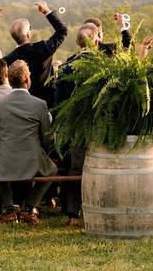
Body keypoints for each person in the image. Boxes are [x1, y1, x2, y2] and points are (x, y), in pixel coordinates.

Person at [0, 60, 57, 225]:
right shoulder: (40, 105)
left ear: (9, 81)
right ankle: (29, 207)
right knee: (53, 171)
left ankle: (9, 208)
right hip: (33, 159)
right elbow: (47, 139)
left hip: (5, 159)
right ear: (27, 79)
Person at [55, 23, 99, 227]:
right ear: (95, 40)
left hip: (74, 127)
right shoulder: (101, 66)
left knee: (76, 169)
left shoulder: (66, 67)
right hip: (97, 126)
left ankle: (73, 212)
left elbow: (59, 102)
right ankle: (97, 208)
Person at [4, 1, 68, 108]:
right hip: (49, 103)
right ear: (28, 34)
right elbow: (62, 31)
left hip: (23, 106)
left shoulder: (8, 59)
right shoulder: (43, 48)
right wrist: (47, 11)